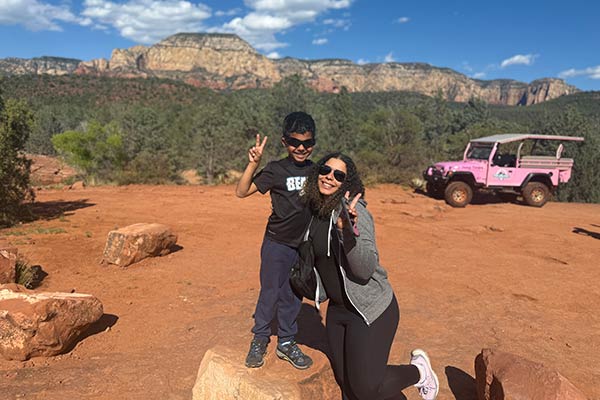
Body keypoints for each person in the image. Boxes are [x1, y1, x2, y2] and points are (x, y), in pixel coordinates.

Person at [301, 152, 439, 400]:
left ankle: (418, 372)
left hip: (370, 309)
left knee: (365, 388)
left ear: (347, 183)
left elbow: (364, 269)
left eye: (338, 175)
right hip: (339, 310)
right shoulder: (315, 211)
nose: (329, 177)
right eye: (325, 170)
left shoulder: (356, 214)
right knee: (348, 385)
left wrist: (347, 234)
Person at [235, 111, 316, 370]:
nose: (301, 148)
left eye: (307, 143)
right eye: (295, 142)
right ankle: (259, 338)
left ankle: (286, 341)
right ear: (284, 142)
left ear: (313, 142)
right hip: (277, 242)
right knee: (270, 291)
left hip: (303, 245)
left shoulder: (318, 171)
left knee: (294, 294)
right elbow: (242, 192)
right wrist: (253, 164)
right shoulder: (276, 170)